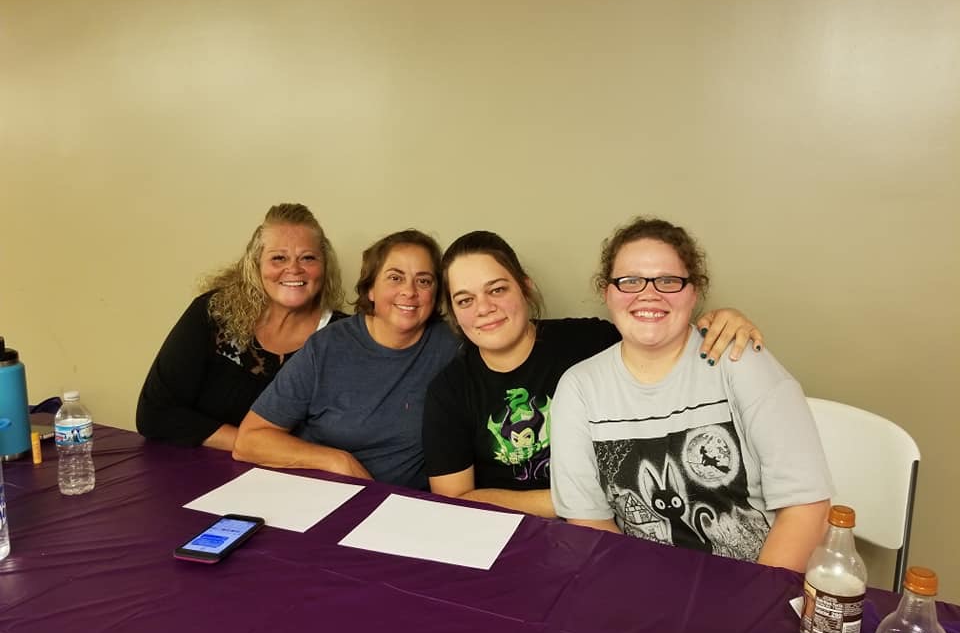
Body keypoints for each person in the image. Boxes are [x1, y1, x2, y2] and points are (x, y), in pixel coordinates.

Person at [550, 217, 832, 571]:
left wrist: (758, 598)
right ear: (607, 293)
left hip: (756, 580)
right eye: (630, 281)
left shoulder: (740, 360)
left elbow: (807, 508)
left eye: (668, 280)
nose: (648, 294)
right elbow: (589, 522)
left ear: (694, 292)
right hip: (641, 583)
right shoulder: (579, 387)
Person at [422, 230, 764, 518]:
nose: (484, 308)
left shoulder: (591, 341)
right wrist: (578, 500)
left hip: (625, 526)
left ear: (525, 287)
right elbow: (454, 500)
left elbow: (664, 337)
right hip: (513, 534)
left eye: (497, 289)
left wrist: (722, 320)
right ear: (454, 312)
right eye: (464, 300)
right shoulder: (449, 390)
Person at [233, 229, 459, 489]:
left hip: (405, 504)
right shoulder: (326, 347)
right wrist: (336, 461)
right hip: (323, 494)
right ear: (371, 288)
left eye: (424, 281)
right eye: (395, 278)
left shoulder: (452, 347)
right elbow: (249, 441)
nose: (409, 291)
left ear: (436, 293)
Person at [136, 203, 345, 451]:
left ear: (325, 265)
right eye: (278, 258)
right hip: (197, 466)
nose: (294, 269)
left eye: (308, 258)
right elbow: (155, 413)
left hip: (297, 472)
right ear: (256, 264)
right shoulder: (214, 312)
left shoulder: (345, 336)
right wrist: (257, 447)